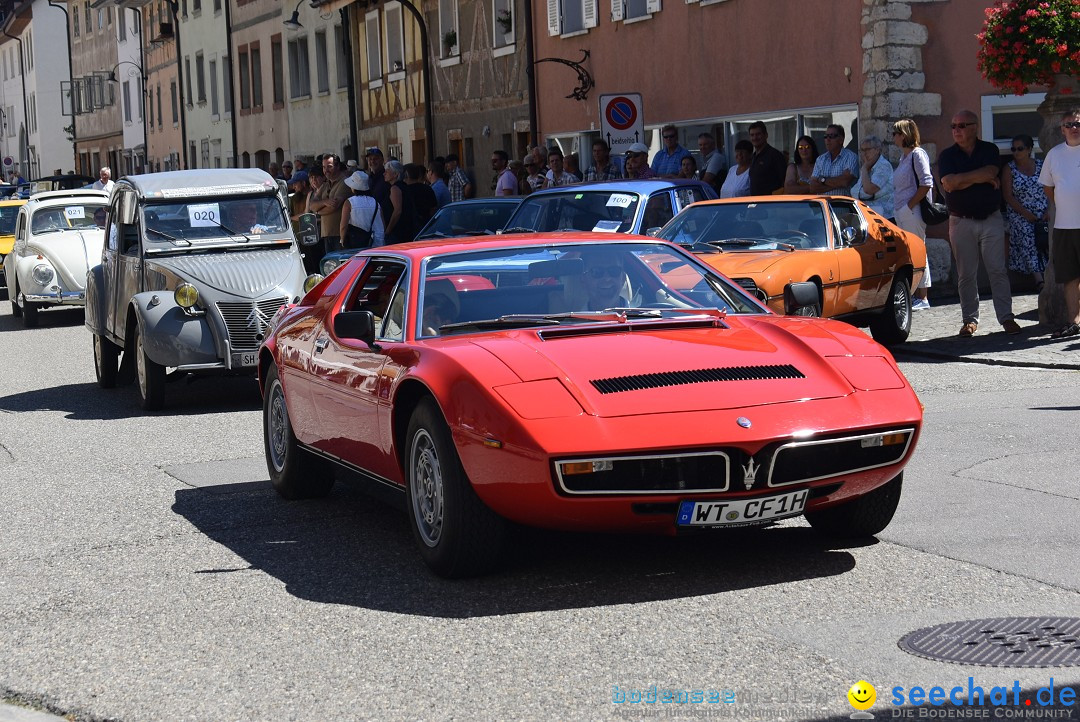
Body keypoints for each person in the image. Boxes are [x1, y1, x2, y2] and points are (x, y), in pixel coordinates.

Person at [939, 109, 1020, 337]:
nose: (956, 130)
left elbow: (991, 171)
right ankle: (969, 321)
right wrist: (980, 178)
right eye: (953, 126)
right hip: (960, 221)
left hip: (991, 219)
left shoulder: (989, 150)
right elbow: (948, 183)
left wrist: (961, 179)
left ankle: (1006, 318)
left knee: (997, 271)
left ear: (975, 127)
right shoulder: (947, 156)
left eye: (962, 126)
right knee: (966, 274)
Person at [1039, 107, 1080, 339]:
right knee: (1069, 276)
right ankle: (1074, 321)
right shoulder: (1054, 154)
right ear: (1062, 129)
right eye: (1070, 125)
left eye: (1078, 124)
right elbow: (1048, 187)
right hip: (1065, 226)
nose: (1074, 128)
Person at [891, 118, 934, 310]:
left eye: (896, 133)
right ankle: (916, 294)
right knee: (910, 253)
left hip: (912, 210)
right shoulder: (904, 158)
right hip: (903, 210)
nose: (893, 137)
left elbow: (926, 183)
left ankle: (923, 297)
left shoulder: (918, 154)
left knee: (918, 250)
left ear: (904, 135)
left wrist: (908, 206)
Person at [1002, 133, 1049, 293]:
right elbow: (1008, 196)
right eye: (1013, 149)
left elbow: (1052, 188)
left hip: (1043, 212)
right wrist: (1026, 214)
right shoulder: (1009, 169)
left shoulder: (1042, 165)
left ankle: (1053, 276)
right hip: (1020, 213)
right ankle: (1039, 281)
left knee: (1050, 238)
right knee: (1026, 233)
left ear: (1029, 149)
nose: (1016, 152)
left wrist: (1049, 210)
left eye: (1020, 149)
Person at [308, 153, 350, 255]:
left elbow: (333, 206)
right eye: (324, 167)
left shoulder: (345, 182)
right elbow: (311, 205)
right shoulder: (325, 184)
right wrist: (324, 202)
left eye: (329, 167)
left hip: (339, 234)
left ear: (338, 166)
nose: (326, 170)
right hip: (326, 233)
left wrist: (318, 210)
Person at [851, 135, 894, 221]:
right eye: (862, 150)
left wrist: (864, 168)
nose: (864, 153)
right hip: (868, 215)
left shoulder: (883, 166)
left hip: (884, 217)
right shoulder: (868, 167)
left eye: (867, 150)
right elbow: (854, 192)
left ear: (877, 150)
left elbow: (869, 190)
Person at [339, 170, 385, 249]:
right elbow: (383, 224)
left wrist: (342, 240)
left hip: (356, 244)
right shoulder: (375, 202)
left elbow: (343, 226)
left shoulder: (349, 202)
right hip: (377, 244)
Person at [809, 124, 859, 196]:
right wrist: (837, 183)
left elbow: (845, 182)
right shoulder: (820, 159)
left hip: (842, 205)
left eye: (832, 136)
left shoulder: (851, 157)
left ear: (841, 140)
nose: (828, 139)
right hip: (824, 205)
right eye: (826, 136)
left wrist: (822, 179)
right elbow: (813, 188)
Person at [747, 121, 787, 195]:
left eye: (758, 134)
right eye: (752, 135)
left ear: (766, 135)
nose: (755, 138)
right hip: (756, 203)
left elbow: (784, 182)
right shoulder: (753, 157)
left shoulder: (775, 155)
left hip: (770, 203)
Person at [383, 160, 415, 243]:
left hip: (397, 232)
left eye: (387, 171)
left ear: (395, 174)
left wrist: (388, 230)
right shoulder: (404, 186)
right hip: (406, 230)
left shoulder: (395, 188)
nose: (384, 174)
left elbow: (397, 211)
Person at [404, 162, 438, 227]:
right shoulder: (428, 188)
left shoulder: (405, 190)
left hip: (410, 227)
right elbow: (433, 208)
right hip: (426, 225)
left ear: (406, 175)